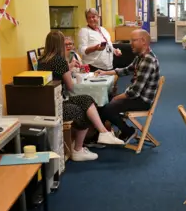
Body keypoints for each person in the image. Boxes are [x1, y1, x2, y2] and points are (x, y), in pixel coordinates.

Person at [38, 31, 124, 161]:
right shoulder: (59, 60)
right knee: (82, 110)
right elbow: (70, 86)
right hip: (57, 106)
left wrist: (69, 67)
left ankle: (103, 132)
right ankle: (78, 149)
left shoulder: (42, 61)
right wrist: (69, 70)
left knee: (87, 99)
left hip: (47, 103)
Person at [95, 29, 160, 142]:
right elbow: (126, 70)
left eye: (133, 40)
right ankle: (105, 132)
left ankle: (128, 131)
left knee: (107, 108)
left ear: (143, 41)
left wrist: (117, 98)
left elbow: (134, 92)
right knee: (105, 100)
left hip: (142, 101)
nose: (131, 43)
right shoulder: (141, 57)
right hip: (138, 97)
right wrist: (105, 72)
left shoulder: (147, 61)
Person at [77, 8, 121, 72]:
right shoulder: (84, 31)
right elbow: (81, 50)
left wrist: (115, 51)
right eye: (89, 18)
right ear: (86, 20)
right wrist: (95, 48)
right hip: (93, 67)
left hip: (108, 67)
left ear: (98, 17)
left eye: (93, 17)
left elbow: (109, 46)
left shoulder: (103, 30)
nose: (91, 19)